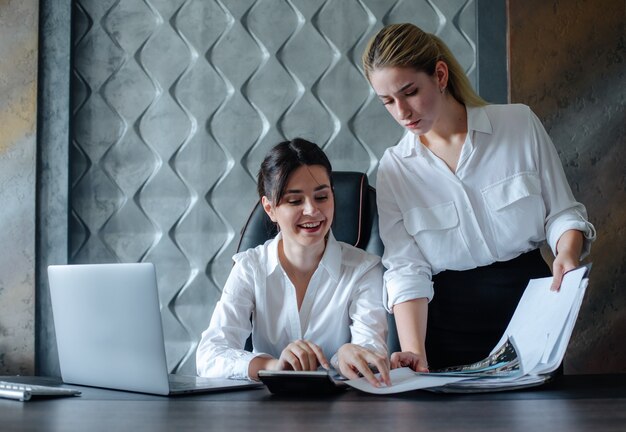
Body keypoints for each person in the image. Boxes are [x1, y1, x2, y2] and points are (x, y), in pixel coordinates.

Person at [361, 23, 596, 371]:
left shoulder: (518, 124)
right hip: (448, 327)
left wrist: (566, 252)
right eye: (388, 102)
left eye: (410, 92)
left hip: (531, 312)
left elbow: (562, 212)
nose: (402, 112)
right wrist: (414, 350)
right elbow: (406, 269)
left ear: (440, 75)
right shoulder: (396, 168)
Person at [196, 138, 390, 387]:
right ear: (270, 208)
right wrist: (272, 367)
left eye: (321, 197)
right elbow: (209, 355)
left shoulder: (364, 269)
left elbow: (370, 348)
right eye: (295, 201)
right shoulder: (250, 267)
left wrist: (345, 357)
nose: (312, 210)